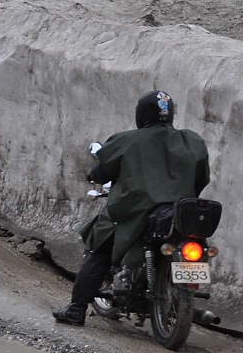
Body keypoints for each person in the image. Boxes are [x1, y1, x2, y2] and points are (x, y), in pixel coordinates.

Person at [53, 90, 210, 326]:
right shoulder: (192, 140)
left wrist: (93, 174)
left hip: (135, 212)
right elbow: (202, 178)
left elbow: (102, 171)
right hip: (178, 213)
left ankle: (76, 309)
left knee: (100, 244)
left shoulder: (127, 140)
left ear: (142, 114)